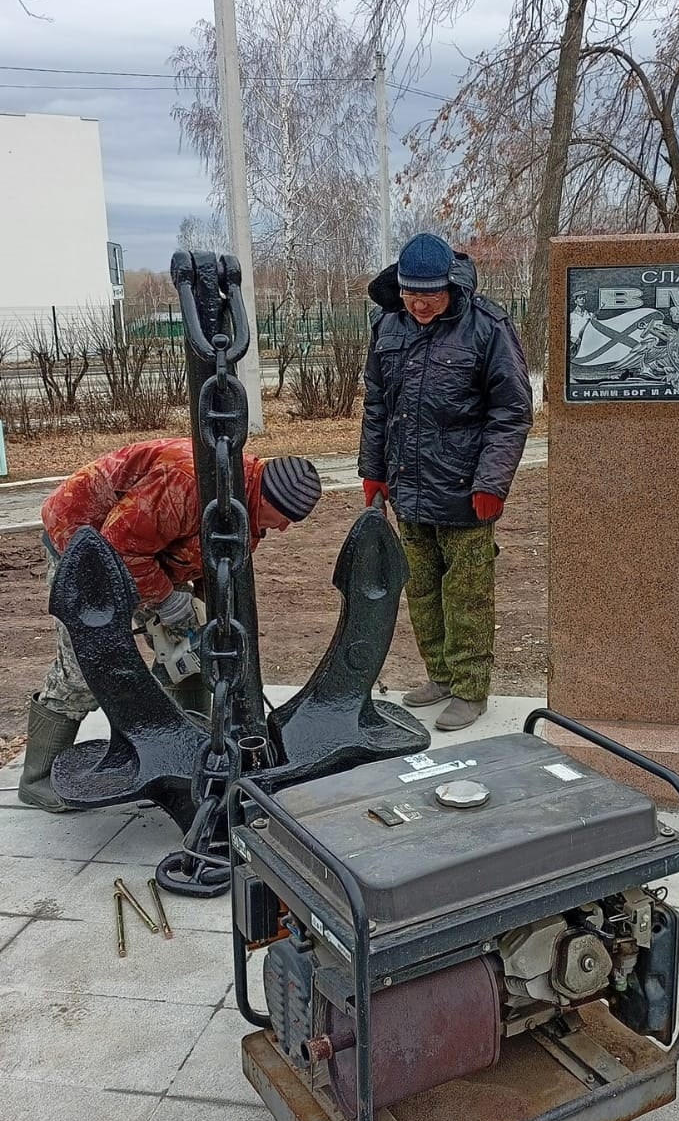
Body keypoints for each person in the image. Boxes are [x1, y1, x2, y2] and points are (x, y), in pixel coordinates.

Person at [19, 438, 322, 811]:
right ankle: (38, 777)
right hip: (86, 542)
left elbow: (210, 557)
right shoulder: (186, 482)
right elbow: (118, 545)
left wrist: (203, 609)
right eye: (285, 517)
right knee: (85, 670)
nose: (286, 529)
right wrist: (165, 597)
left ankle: (178, 755)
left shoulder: (242, 506)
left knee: (189, 655)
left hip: (154, 551)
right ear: (264, 500)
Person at [359, 233, 533, 731]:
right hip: (409, 486)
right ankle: (439, 675)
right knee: (420, 590)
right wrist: (373, 471)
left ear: (450, 286)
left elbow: (512, 412)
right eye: (412, 293)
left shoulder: (488, 327)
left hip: (465, 490)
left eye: (430, 294)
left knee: (468, 593)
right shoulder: (388, 327)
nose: (420, 303)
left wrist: (491, 483)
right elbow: (377, 407)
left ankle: (470, 689)